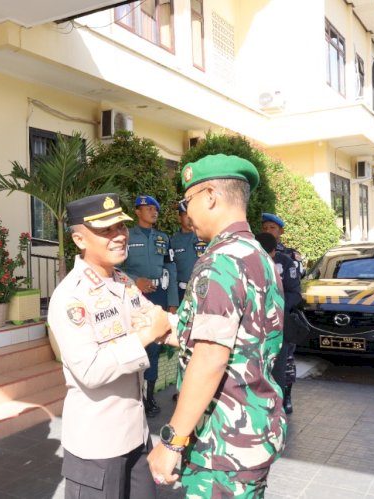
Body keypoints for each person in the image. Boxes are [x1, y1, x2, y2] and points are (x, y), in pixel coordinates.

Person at [147, 154, 286, 498]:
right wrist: (171, 326)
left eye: (187, 200)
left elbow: (211, 358)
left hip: (222, 445)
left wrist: (172, 442)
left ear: (210, 196)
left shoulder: (221, 261)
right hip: (252, 433)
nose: (186, 212)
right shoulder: (256, 255)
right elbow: (244, 337)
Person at [48, 193, 171, 499]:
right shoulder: (71, 297)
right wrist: (144, 337)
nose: (119, 236)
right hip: (98, 445)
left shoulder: (123, 282)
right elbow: (90, 370)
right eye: (106, 230)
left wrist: (214, 334)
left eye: (121, 227)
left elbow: (158, 321)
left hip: (136, 435)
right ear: (79, 239)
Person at [121, 195, 178, 418]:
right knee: (134, 342)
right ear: (137, 211)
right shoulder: (127, 236)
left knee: (154, 345)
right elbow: (116, 266)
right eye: (148, 208)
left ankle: (150, 396)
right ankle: (133, 394)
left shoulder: (163, 238)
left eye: (156, 208)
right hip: (132, 295)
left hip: (159, 296)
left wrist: (172, 302)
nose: (154, 212)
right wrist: (135, 280)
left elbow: (170, 268)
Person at [257, 232, 302, 414]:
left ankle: (280, 403)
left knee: (280, 367)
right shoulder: (249, 263)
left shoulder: (286, 262)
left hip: (278, 324)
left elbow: (295, 293)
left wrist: (275, 307)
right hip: (255, 326)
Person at [170, 205, 208, 303]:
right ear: (179, 218)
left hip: (205, 291)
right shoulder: (173, 241)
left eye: (192, 214)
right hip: (182, 293)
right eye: (186, 214)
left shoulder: (206, 237)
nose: (190, 218)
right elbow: (170, 270)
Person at [261, 212, 304, 277]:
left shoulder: (291, 254)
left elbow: (295, 279)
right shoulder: (256, 251)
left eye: (272, 227)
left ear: (281, 231)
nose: (267, 231)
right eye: (264, 228)